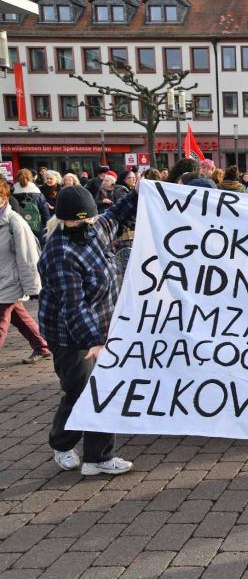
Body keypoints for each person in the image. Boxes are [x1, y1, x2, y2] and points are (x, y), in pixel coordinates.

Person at [39, 184, 138, 475]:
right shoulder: (59, 252)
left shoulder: (98, 230)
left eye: (88, 219)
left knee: (104, 389)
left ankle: (98, 457)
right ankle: (62, 442)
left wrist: (139, 192)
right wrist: (92, 340)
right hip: (71, 337)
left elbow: (118, 213)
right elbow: (73, 305)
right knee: (79, 392)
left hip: (104, 329)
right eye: (76, 221)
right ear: (62, 220)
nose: (84, 225)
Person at [0, 179, 51, 364]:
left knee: (1, 322)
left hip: (9, 281)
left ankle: (42, 346)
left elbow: (28, 256)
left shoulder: (15, 222)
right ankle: (42, 346)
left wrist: (32, 286)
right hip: (2, 280)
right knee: (18, 316)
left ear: (4, 199)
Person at [12, 169, 52, 238]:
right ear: (30, 177)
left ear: (16, 178)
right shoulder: (37, 193)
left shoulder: (11, 193)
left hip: (18, 228)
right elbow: (45, 213)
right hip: (38, 228)